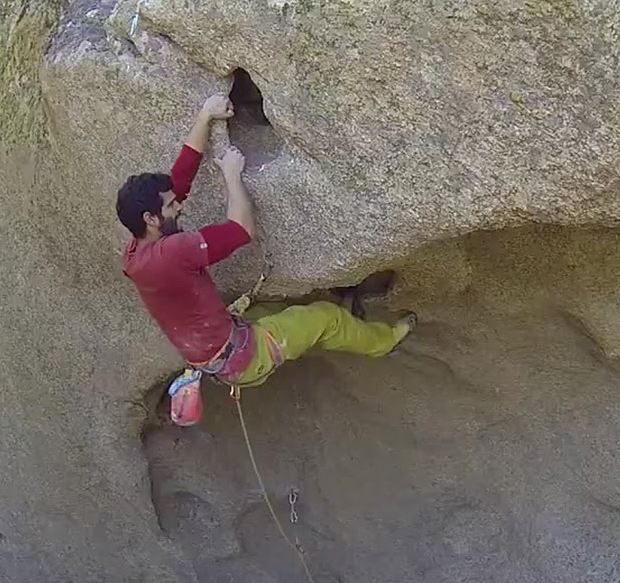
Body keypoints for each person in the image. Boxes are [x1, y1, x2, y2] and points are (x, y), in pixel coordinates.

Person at [117, 92, 416, 393]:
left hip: (223, 349)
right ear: (150, 218)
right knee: (328, 318)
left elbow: (178, 182)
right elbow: (241, 230)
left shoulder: (136, 253)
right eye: (170, 207)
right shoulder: (172, 252)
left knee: (275, 307)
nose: (179, 206)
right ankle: (384, 341)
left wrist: (205, 115)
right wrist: (232, 176)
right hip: (246, 358)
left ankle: (328, 324)